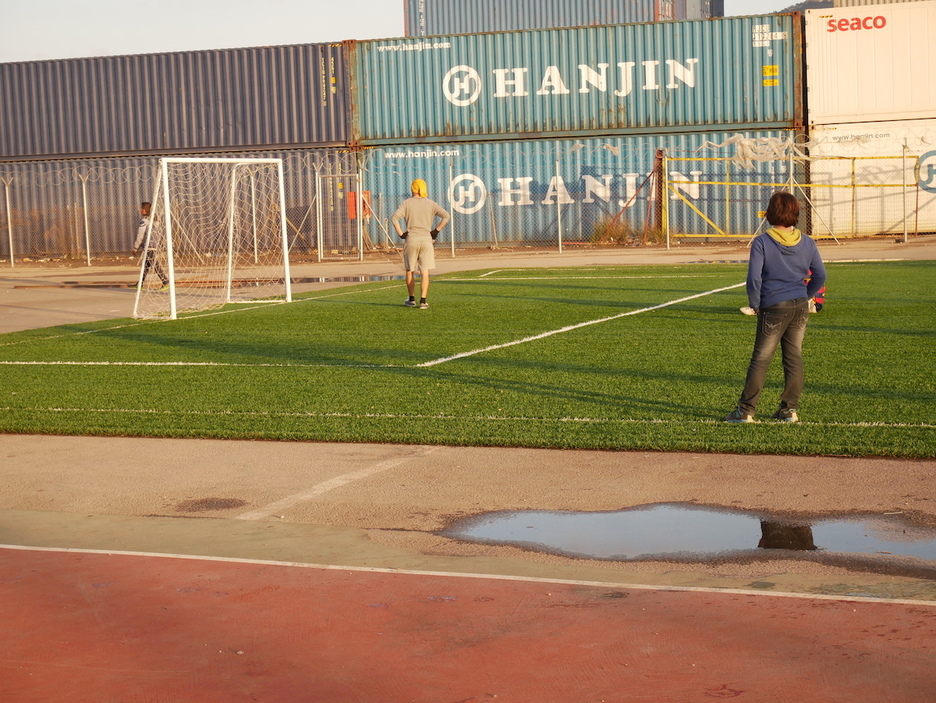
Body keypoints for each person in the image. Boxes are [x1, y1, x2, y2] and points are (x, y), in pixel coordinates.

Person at [725, 192, 826, 424]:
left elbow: (754, 278)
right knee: (793, 358)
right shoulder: (808, 242)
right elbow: (820, 275)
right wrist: (807, 296)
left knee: (761, 359)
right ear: (796, 214)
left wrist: (755, 303)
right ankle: (789, 410)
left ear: (770, 213)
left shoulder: (762, 241)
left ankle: (745, 411)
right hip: (799, 305)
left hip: (773, 305)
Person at [391, 179, 450, 309]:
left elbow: (394, 218)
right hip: (426, 240)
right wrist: (435, 231)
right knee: (425, 271)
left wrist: (402, 234)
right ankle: (423, 301)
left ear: (412, 188)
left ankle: (411, 299)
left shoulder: (406, 203)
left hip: (411, 240)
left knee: (410, 270)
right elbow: (446, 216)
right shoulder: (430, 203)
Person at [131, 201, 168, 289]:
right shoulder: (155, 219)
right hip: (155, 244)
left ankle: (165, 281)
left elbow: (140, 235)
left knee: (154, 264)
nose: (140, 210)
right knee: (146, 265)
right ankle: (140, 283)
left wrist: (135, 247)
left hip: (149, 245)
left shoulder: (144, 221)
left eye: (142, 208)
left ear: (145, 210)